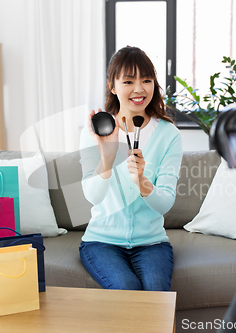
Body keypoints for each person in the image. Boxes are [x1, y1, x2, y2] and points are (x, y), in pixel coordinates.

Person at [78, 46, 183, 291]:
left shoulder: (169, 135)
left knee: (157, 294)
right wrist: (107, 159)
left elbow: (165, 203)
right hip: (101, 242)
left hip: (151, 243)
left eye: (146, 80)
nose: (139, 89)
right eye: (128, 81)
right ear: (113, 86)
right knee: (126, 288)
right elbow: (92, 196)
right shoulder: (95, 131)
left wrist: (143, 182)